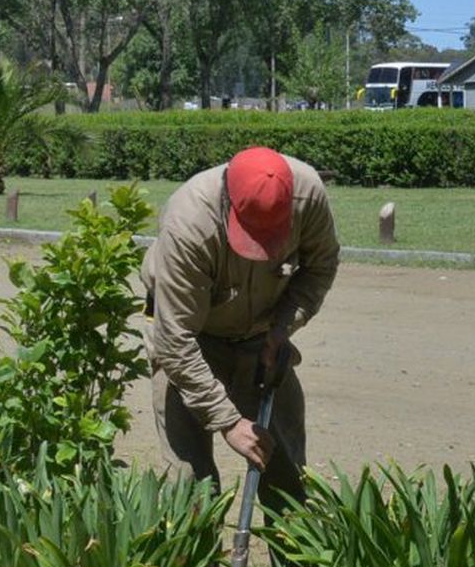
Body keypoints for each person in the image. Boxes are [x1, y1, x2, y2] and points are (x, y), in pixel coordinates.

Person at [140, 146, 339, 518]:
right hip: (187, 337)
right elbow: (175, 339)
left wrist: (282, 327)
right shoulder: (190, 223)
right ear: (230, 204)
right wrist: (229, 422)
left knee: (287, 472)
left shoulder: (308, 195)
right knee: (190, 483)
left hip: (262, 334)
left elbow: (320, 267)